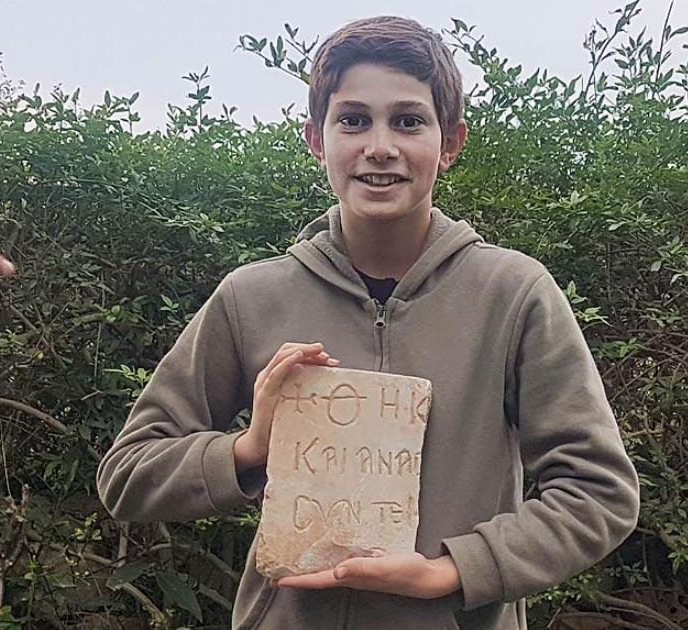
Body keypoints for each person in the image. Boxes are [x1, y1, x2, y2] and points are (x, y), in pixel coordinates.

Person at [96, 15, 639, 629]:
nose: (380, 146)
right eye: (353, 120)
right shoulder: (251, 297)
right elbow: (127, 475)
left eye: (408, 120)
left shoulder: (513, 295)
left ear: (451, 142)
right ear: (316, 140)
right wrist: (251, 447)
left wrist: (454, 572)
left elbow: (598, 492)